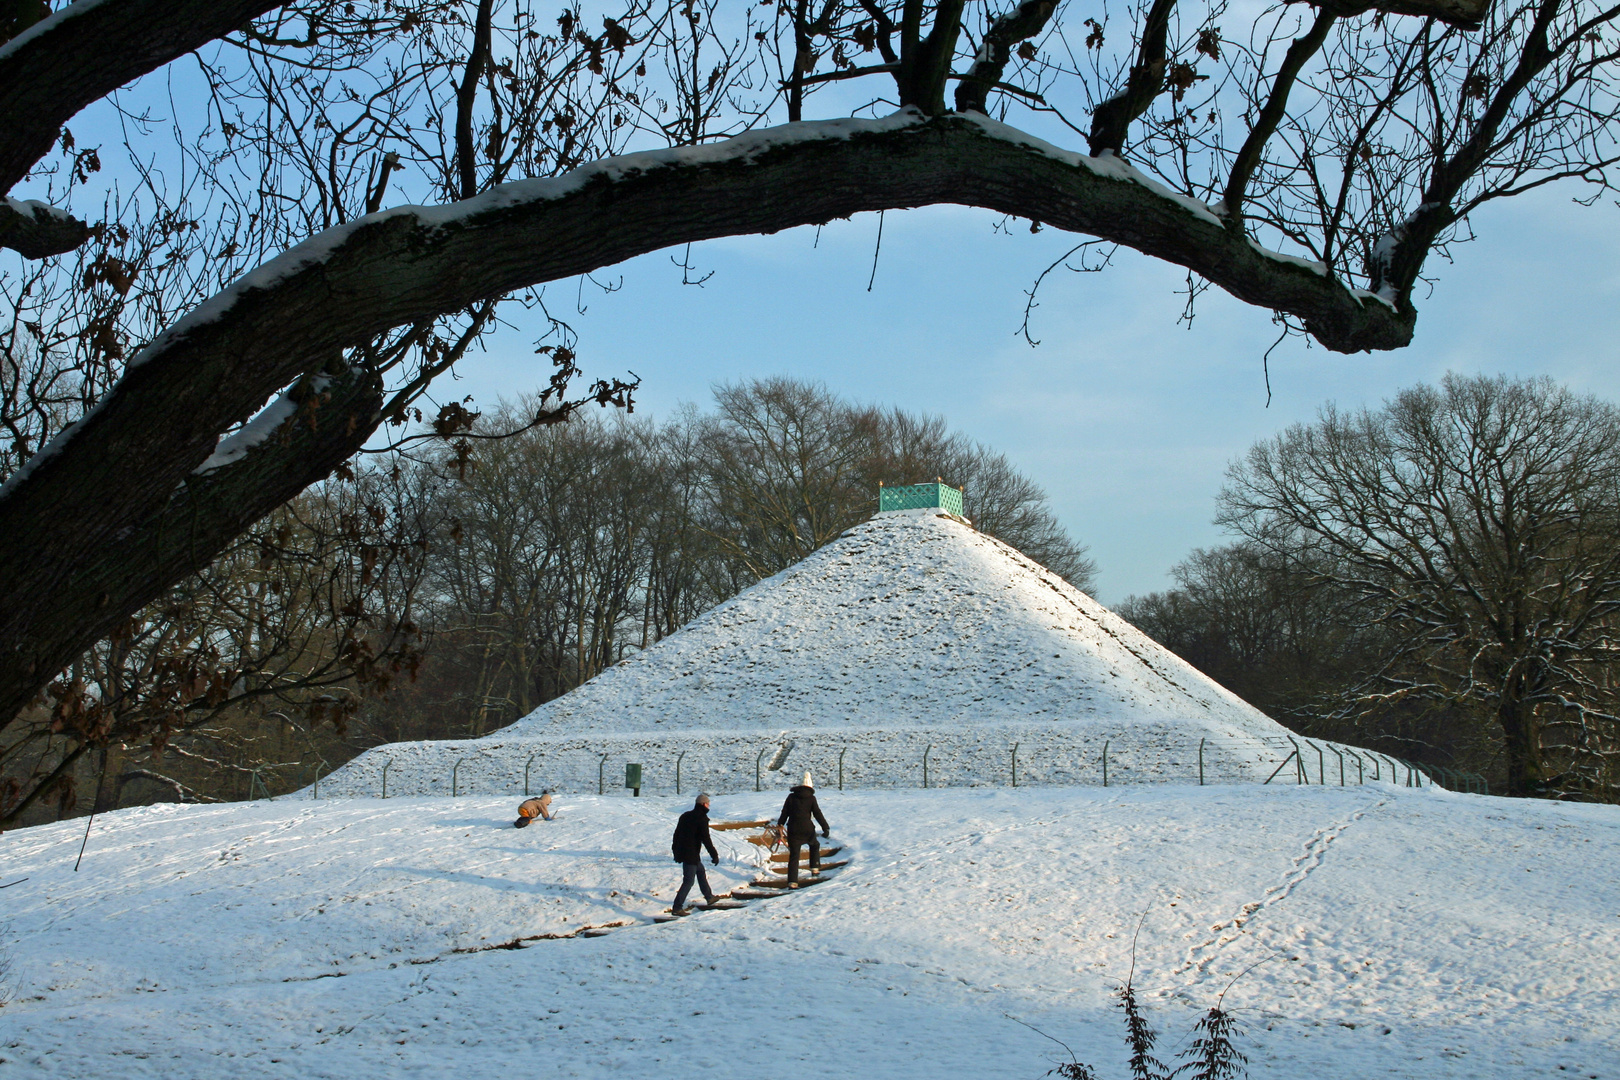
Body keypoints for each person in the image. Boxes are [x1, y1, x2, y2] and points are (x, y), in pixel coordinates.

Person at [776, 771, 830, 887]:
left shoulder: (791, 797)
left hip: (793, 829)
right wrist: (825, 827)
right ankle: (815, 868)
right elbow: (817, 813)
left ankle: (792, 882)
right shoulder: (811, 798)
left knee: (794, 856)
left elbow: (785, 812)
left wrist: (780, 824)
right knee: (814, 845)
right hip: (807, 828)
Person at [670, 793, 720, 912]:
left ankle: (709, 897)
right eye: (708, 804)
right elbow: (706, 839)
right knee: (688, 881)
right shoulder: (701, 818)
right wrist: (714, 855)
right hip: (690, 854)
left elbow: (676, 835)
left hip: (685, 852)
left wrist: (675, 851)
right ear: (703, 804)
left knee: (701, 872)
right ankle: (677, 907)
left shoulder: (685, 816)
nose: (709, 806)